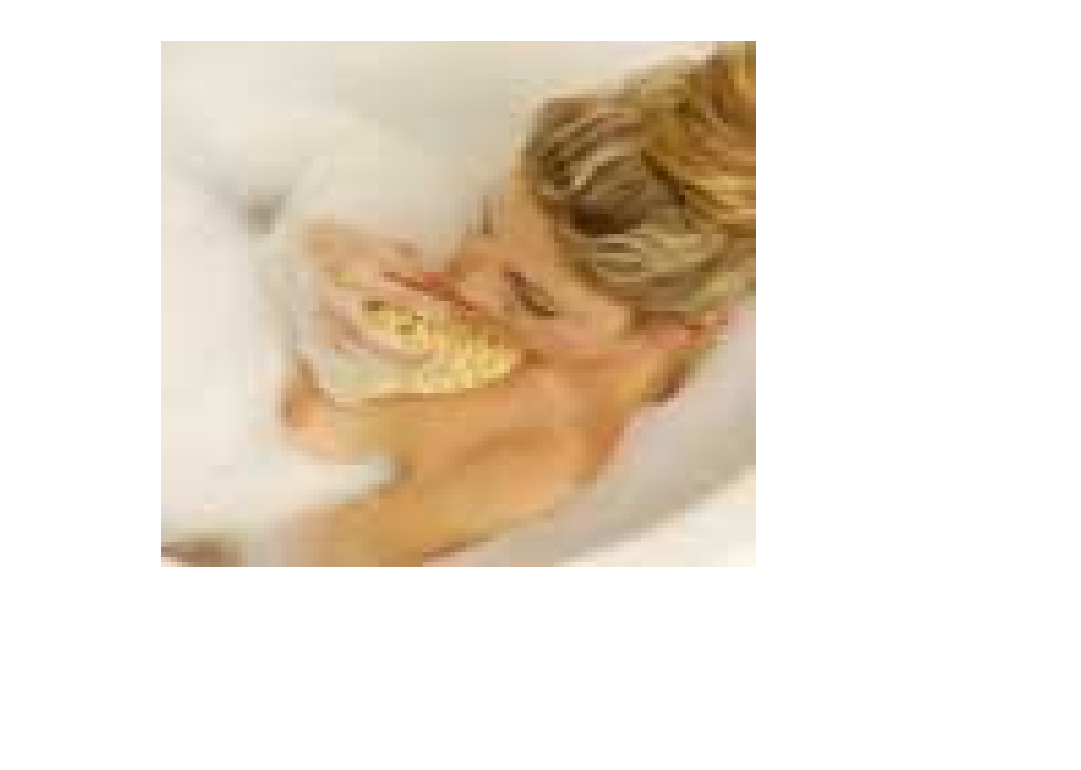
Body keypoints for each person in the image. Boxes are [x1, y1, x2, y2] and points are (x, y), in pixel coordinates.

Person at [176, 42, 755, 566]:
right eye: (485, 221)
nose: (470, 284)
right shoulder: (580, 237)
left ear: (676, 329)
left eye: (531, 297)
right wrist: (320, 248)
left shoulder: (535, 460)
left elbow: (285, 560)